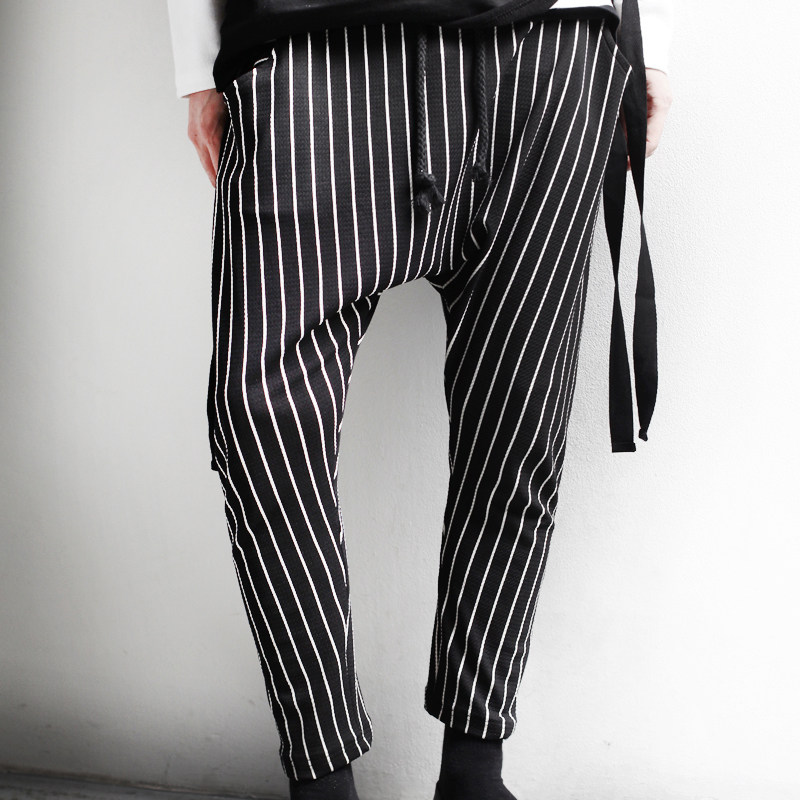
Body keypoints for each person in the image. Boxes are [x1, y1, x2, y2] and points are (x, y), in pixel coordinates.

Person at [167, 1, 674, 798]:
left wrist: (651, 44)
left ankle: (475, 771)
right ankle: (322, 777)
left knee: (518, 422)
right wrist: (199, 58)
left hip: (547, 54)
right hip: (310, 53)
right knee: (261, 416)